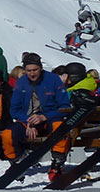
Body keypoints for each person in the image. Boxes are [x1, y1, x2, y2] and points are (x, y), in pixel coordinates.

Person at [6, 52, 73, 180]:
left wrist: (44, 117)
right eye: (28, 71)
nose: (32, 73)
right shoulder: (21, 83)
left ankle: (57, 164)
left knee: (60, 128)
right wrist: (28, 121)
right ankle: (17, 163)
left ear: (41, 68)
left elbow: (65, 107)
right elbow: (14, 109)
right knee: (7, 135)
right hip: (27, 120)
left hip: (50, 119)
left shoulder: (53, 80)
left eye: (35, 70)